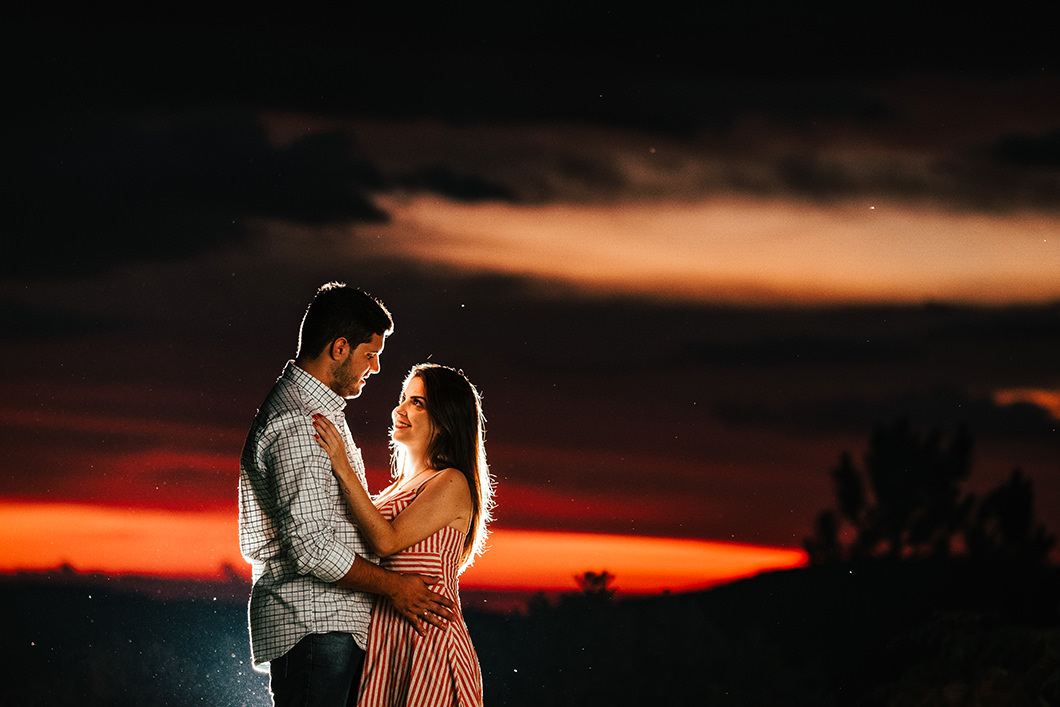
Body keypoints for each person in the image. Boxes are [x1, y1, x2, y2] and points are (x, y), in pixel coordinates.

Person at [239, 282, 455, 707]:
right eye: (369, 354)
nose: (374, 368)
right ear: (339, 348)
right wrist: (394, 587)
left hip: (325, 625)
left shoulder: (318, 413)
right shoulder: (299, 423)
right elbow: (311, 546)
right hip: (316, 623)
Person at [312, 362, 495, 707]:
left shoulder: (451, 481)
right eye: (404, 398)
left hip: (427, 643)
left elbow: (386, 541)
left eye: (418, 403)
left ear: (444, 421)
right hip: (387, 641)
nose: (400, 409)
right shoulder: (394, 491)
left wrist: (341, 465)